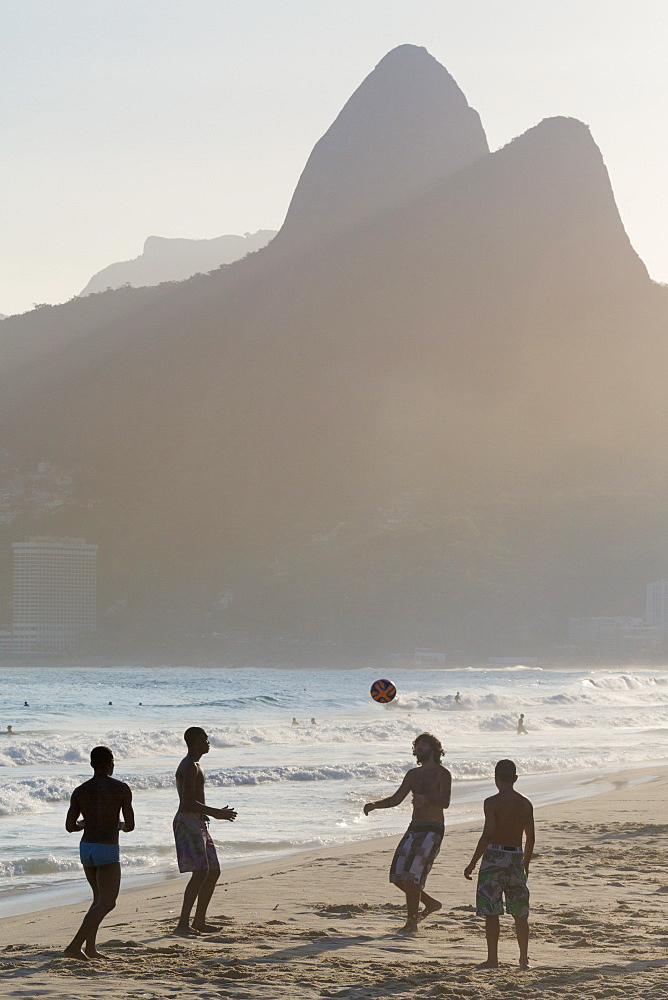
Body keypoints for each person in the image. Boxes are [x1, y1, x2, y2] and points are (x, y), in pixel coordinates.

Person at [364, 733, 451, 935]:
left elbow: (445, 802)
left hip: (433, 828)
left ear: (434, 749)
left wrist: (427, 801)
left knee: (412, 877)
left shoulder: (442, 774)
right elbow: (396, 799)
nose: (418, 748)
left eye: (423, 745)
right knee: (398, 875)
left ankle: (411, 923)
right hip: (414, 828)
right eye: (417, 745)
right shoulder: (413, 774)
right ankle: (430, 903)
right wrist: (375, 805)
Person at [63, 745, 134, 961]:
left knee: (97, 900)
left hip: (87, 849)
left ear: (92, 764)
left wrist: (85, 823)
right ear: (111, 764)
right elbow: (130, 825)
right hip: (107, 848)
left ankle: (90, 949)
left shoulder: (80, 790)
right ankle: (74, 946)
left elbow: (70, 826)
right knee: (108, 902)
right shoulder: (121, 788)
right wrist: (118, 826)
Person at [464, 759, 534, 970]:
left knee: (492, 911)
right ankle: (523, 959)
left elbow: (487, 835)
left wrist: (472, 863)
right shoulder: (525, 803)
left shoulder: (491, 802)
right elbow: (530, 838)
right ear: (515, 778)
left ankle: (493, 959)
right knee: (519, 912)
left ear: (495, 779)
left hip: (494, 856)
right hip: (515, 857)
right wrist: (525, 864)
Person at [173, 727, 237, 937]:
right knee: (200, 872)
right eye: (205, 739)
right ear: (194, 742)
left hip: (197, 820)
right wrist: (216, 812)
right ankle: (183, 923)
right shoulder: (189, 766)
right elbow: (188, 801)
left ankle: (199, 921)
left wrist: (207, 814)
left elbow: (194, 800)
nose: (208, 743)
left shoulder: (197, 765)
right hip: (187, 821)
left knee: (213, 871)